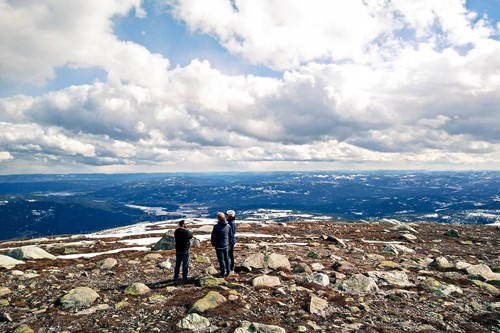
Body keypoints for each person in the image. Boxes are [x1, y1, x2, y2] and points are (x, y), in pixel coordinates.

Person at [211, 211, 233, 277]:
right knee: (226, 259)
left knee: (221, 260)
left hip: (219, 246)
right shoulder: (228, 225)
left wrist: (213, 243)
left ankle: (222, 273)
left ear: (218, 218)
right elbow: (230, 235)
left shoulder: (216, 227)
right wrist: (229, 243)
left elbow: (213, 236)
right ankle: (228, 271)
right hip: (226, 245)